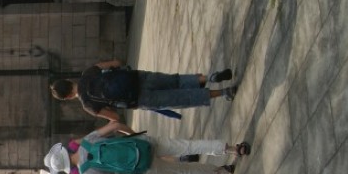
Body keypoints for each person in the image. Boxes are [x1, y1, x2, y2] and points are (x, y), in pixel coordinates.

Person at [44, 121, 250, 174]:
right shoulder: (87, 141)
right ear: (65, 151)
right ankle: (232, 149)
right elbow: (115, 125)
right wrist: (133, 135)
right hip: (143, 143)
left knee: (184, 171)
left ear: (65, 169)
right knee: (188, 146)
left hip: (143, 166)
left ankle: (220, 171)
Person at [50, 60, 237, 122]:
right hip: (137, 77)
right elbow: (116, 62)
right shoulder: (88, 72)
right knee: (176, 80)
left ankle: (224, 92)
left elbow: (115, 117)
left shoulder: (88, 105)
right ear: (69, 81)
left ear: (67, 97)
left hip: (140, 98)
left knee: (181, 98)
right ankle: (210, 77)